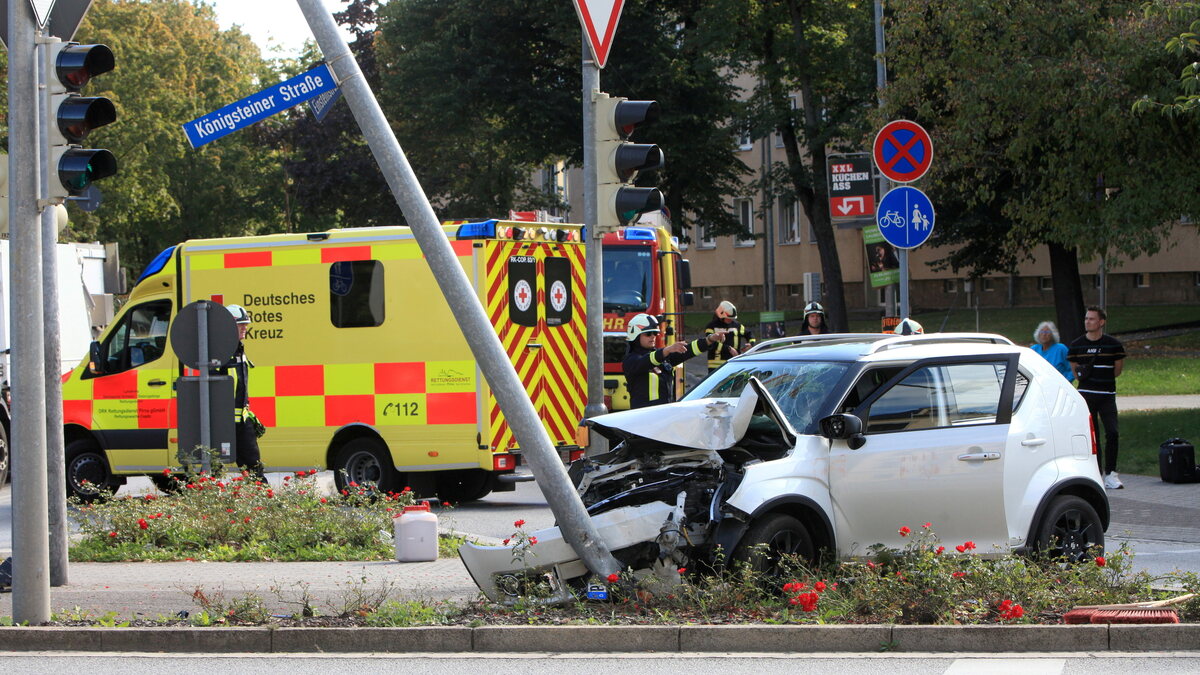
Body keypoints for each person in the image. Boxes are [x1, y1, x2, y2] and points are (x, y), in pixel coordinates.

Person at [1068, 307, 1126, 490]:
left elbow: (1117, 371)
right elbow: (1076, 373)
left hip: (1107, 395)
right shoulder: (1076, 345)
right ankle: (1096, 473)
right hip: (1086, 396)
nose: (1087, 322)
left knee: (1113, 432)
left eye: (1092, 319)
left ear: (1101, 322)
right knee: (1093, 436)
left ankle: (1111, 473)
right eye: (1086, 318)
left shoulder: (1114, 345)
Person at [624, 313, 723, 409]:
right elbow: (646, 361)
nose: (653, 336)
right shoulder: (631, 360)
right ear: (635, 336)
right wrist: (666, 350)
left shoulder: (661, 357)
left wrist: (709, 340)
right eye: (648, 333)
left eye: (655, 333)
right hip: (643, 418)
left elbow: (687, 351)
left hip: (664, 414)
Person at [223, 304, 264, 480]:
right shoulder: (219, 353)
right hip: (221, 423)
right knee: (212, 468)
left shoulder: (238, 349)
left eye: (246, 324)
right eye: (241, 324)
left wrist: (248, 414)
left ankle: (263, 502)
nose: (245, 328)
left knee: (253, 466)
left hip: (241, 422)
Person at [704, 300, 752, 372]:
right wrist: (729, 349)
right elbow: (711, 343)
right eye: (729, 318)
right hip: (716, 366)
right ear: (721, 315)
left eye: (732, 318)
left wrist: (750, 343)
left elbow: (749, 334)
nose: (731, 320)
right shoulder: (711, 326)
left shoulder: (737, 325)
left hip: (734, 363)